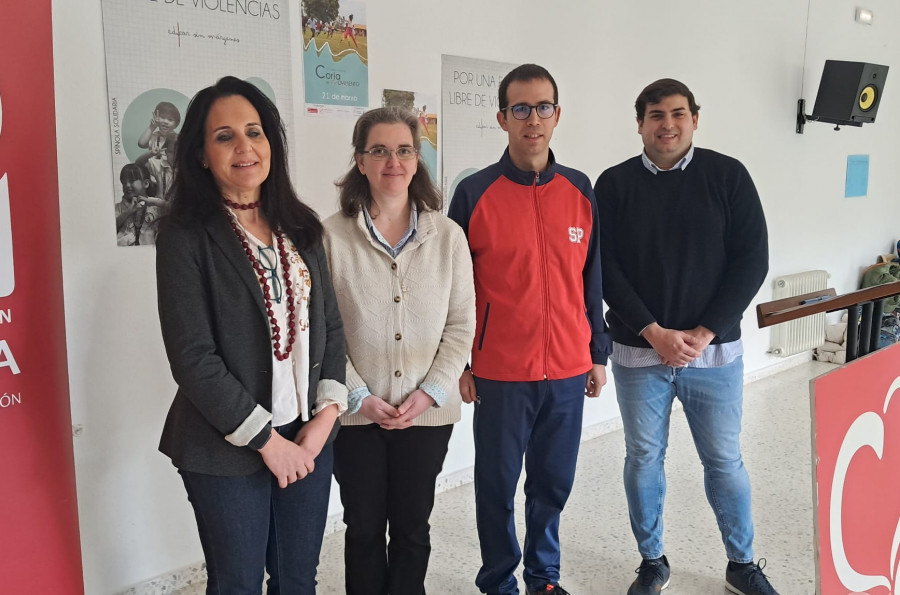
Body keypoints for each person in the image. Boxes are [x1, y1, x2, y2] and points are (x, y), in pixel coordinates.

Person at [155, 76, 347, 594]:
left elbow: (330, 327)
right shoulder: (184, 235)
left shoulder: (301, 227)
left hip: (307, 436)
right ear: (201, 154)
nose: (245, 147)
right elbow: (193, 357)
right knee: (237, 583)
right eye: (225, 136)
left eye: (254, 131)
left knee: (297, 580)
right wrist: (268, 442)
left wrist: (325, 418)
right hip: (225, 446)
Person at [593, 78, 776, 595]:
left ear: (695, 119)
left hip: (713, 354)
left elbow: (752, 260)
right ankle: (652, 562)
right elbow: (604, 267)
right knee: (643, 459)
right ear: (640, 124)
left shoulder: (728, 176)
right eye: (656, 115)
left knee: (724, 461)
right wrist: (653, 332)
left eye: (677, 113)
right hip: (638, 351)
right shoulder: (613, 184)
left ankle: (742, 564)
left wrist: (703, 331)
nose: (667, 124)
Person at [448, 64, 611, 595]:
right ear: (502, 118)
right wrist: (462, 362)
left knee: (553, 483)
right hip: (500, 372)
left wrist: (597, 353)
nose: (532, 119)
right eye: (520, 109)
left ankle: (544, 577)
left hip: (567, 368)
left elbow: (591, 278)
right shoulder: (474, 193)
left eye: (543, 107)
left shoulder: (579, 190)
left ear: (557, 115)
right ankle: (499, 581)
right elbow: (455, 289)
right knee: (496, 486)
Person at [323, 106, 475, 595]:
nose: (394, 161)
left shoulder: (448, 237)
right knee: (363, 529)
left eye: (404, 150)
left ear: (417, 160)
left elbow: (461, 325)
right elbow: (322, 330)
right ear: (360, 161)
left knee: (412, 528)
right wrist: (358, 396)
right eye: (380, 151)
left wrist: (430, 392)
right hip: (354, 416)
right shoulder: (329, 237)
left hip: (427, 413)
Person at [136, 101, 180, 200]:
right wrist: (152, 127)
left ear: (175, 124)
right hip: (152, 176)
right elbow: (141, 143)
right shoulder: (154, 136)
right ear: (157, 117)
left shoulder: (176, 138)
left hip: (168, 176)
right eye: (162, 117)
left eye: (170, 119)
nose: (165, 121)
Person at [115, 162, 165, 246]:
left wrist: (155, 202)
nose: (127, 185)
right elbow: (110, 228)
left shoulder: (155, 204)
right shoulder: (118, 207)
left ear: (146, 184)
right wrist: (128, 212)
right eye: (123, 182)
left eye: (131, 181)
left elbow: (171, 209)